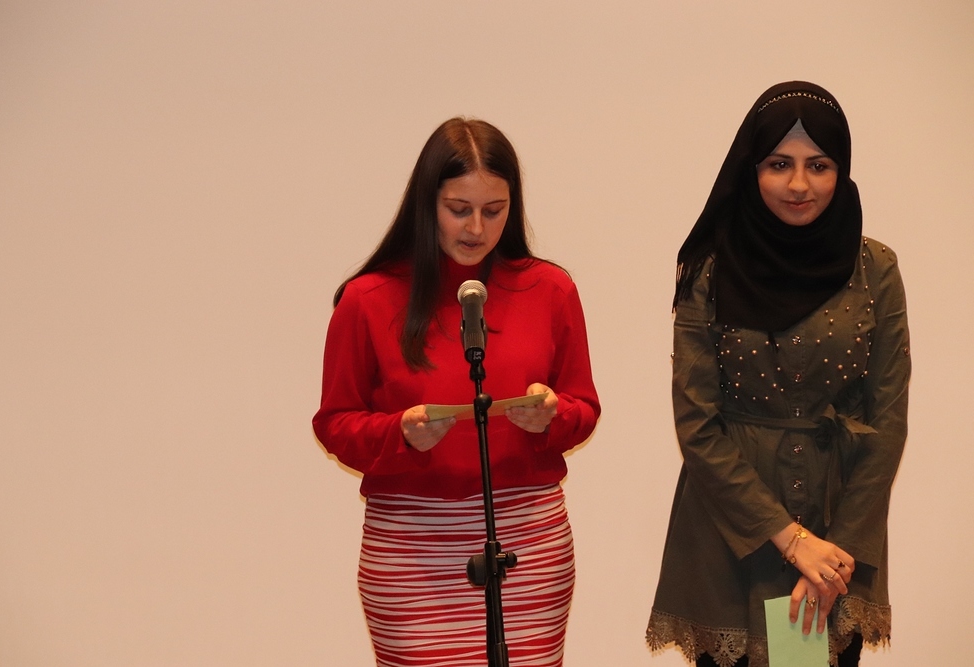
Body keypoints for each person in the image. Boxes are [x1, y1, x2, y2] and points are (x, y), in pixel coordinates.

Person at [313, 117, 600, 667]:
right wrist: (399, 434)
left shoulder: (550, 289)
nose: (476, 227)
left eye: (494, 210)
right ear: (427, 205)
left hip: (528, 540)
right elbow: (334, 422)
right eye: (458, 208)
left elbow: (584, 406)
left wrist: (553, 416)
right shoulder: (367, 298)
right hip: (412, 548)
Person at [645, 82, 910, 667]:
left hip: (838, 530)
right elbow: (697, 426)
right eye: (779, 164)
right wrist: (792, 542)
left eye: (819, 165)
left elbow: (888, 421)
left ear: (841, 170)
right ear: (751, 168)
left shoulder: (876, 269)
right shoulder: (708, 271)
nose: (799, 184)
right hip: (731, 532)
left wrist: (832, 558)